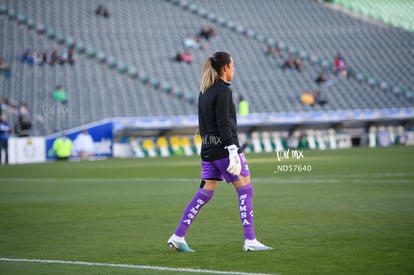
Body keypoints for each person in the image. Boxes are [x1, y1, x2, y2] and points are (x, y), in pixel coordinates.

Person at [167, 51, 272, 252]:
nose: (234, 69)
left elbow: (206, 124)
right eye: (233, 65)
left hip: (208, 149)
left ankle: (178, 236)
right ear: (225, 68)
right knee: (245, 190)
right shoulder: (223, 90)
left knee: (205, 193)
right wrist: (232, 149)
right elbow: (224, 123)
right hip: (225, 149)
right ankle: (250, 240)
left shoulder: (204, 91)